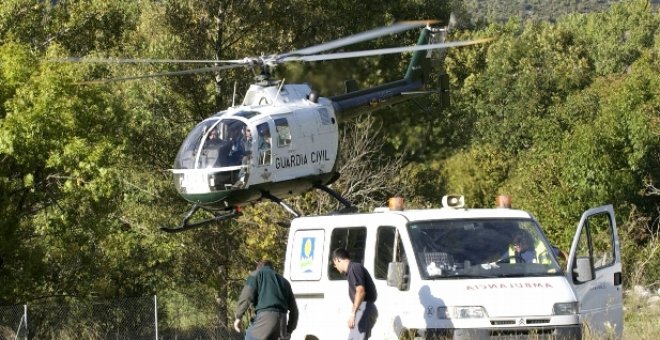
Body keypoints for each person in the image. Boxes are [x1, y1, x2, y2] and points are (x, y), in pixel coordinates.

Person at [234, 260, 298, 340]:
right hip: (282, 323)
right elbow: (295, 311)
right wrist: (288, 331)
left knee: (250, 337)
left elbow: (246, 296)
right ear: (272, 268)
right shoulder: (285, 282)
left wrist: (238, 317)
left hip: (265, 319)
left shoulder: (257, 274)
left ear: (258, 267)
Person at [332, 248, 378, 340]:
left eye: (334, 264)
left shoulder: (354, 267)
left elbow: (360, 291)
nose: (335, 267)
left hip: (365, 308)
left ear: (337, 259)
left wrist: (353, 314)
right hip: (363, 309)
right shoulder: (351, 271)